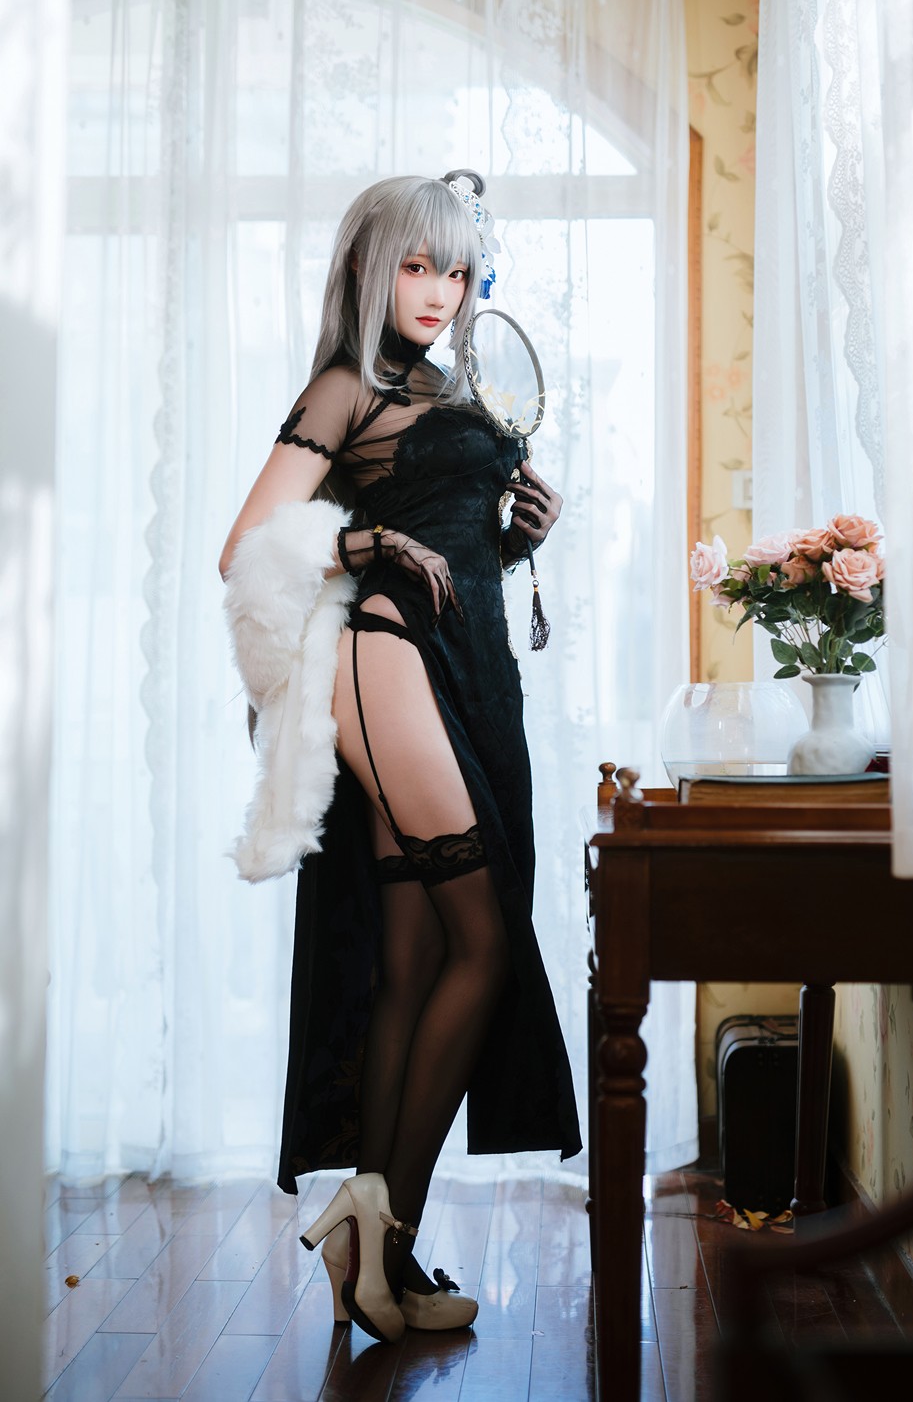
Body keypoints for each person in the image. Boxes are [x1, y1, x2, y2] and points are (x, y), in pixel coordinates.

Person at [219, 170, 582, 1344]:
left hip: (460, 669)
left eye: (458, 269)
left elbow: (453, 547)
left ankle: (376, 1250)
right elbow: (245, 548)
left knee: (419, 954)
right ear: (370, 268)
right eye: (418, 265)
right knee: (484, 937)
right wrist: (365, 537)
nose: (439, 289)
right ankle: (386, 1233)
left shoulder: (445, 389)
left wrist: (516, 536)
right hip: (384, 657)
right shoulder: (343, 387)